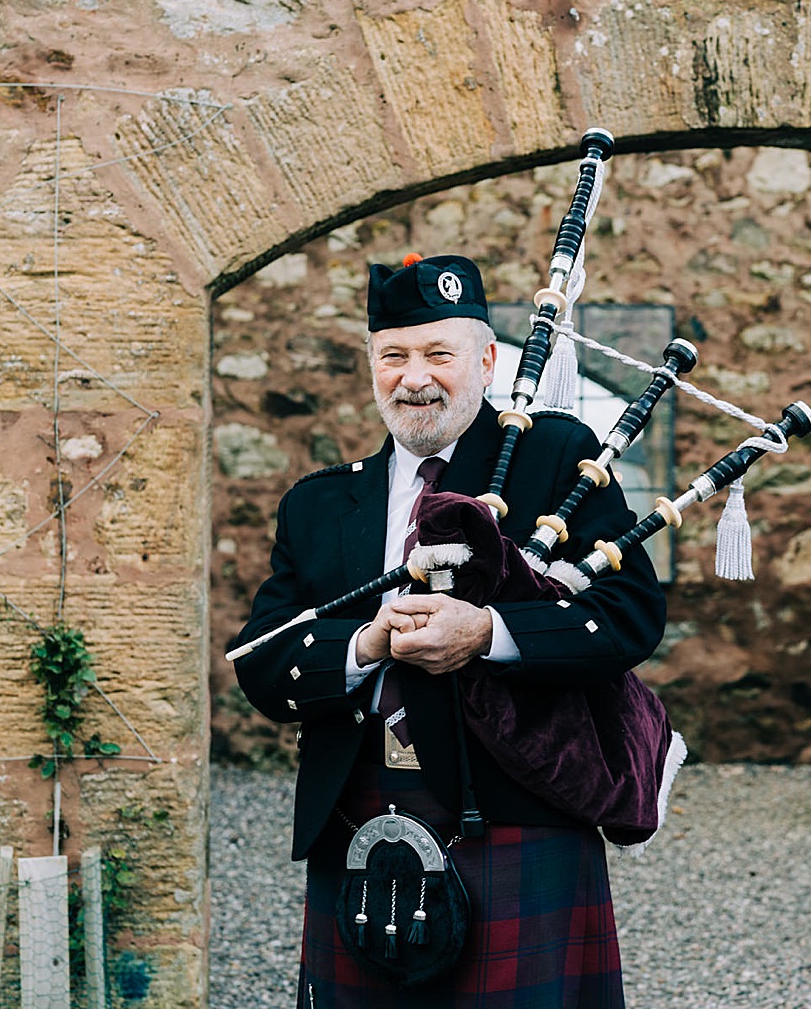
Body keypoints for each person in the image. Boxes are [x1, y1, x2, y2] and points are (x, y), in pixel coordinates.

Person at [230, 253, 667, 1008]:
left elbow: (629, 615)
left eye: (439, 353)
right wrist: (363, 644)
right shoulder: (320, 504)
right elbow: (262, 661)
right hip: (359, 830)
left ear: (488, 359)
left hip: (516, 816)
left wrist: (487, 629)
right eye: (393, 355)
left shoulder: (558, 462)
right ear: (372, 364)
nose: (414, 376)